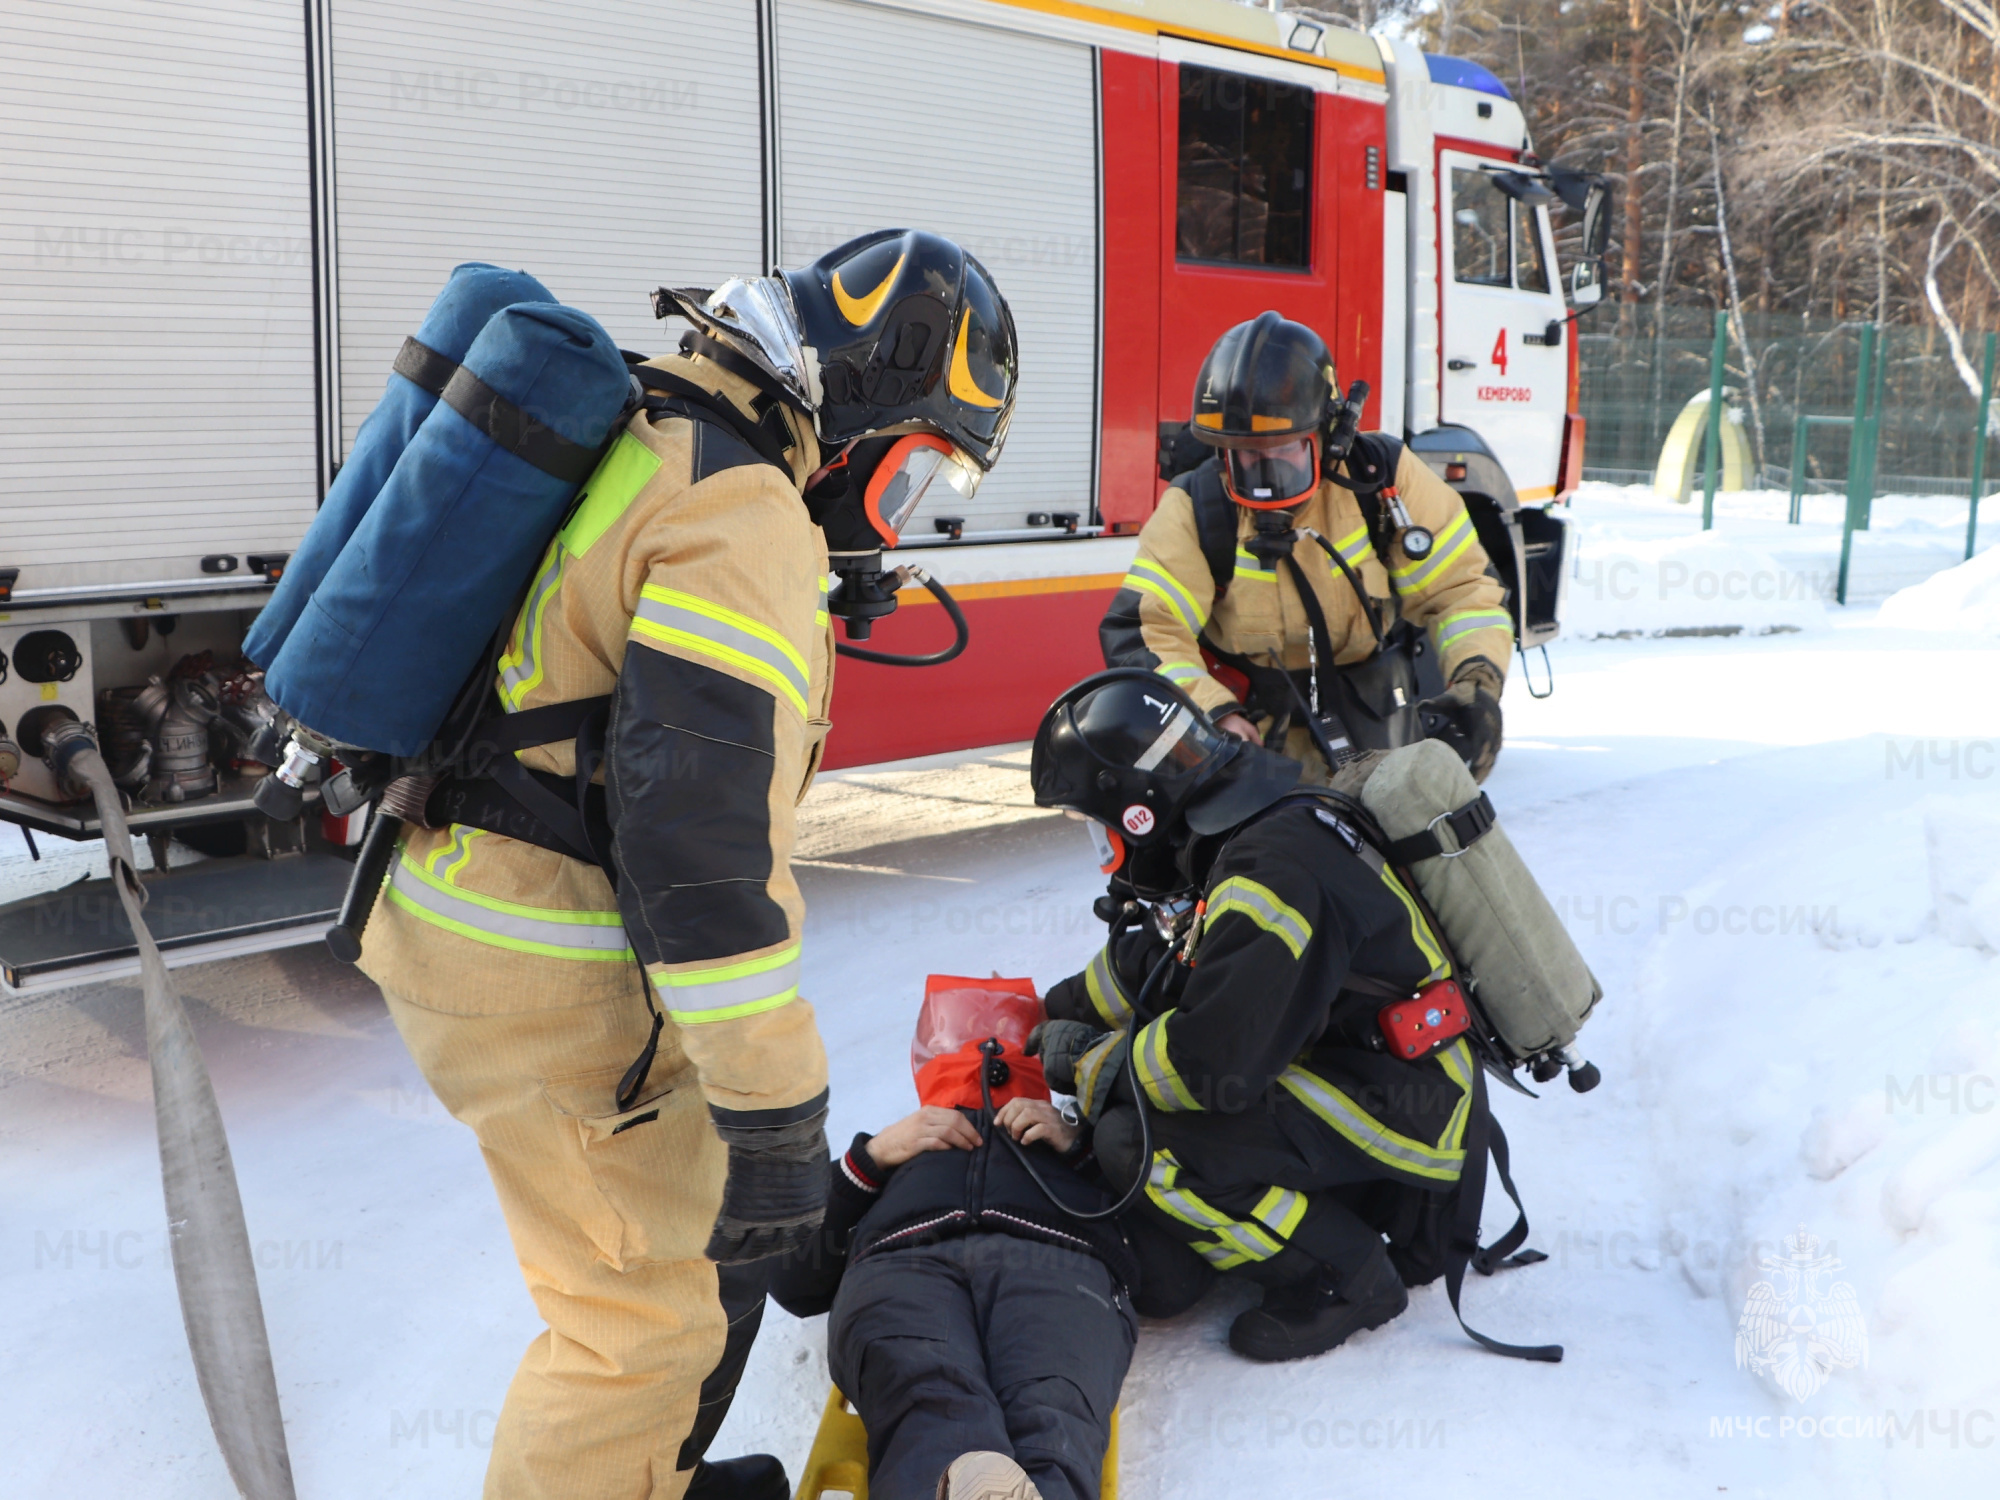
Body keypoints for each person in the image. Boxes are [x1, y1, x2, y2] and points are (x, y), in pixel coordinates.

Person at [355, 230, 1018, 1499]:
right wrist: (780, 1110)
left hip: (459, 905)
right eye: (918, 471)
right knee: (633, 1326)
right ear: (874, 399)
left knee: (657, 1254)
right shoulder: (744, 510)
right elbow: (700, 851)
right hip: (545, 968)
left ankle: (644, 1475)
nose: (892, 514)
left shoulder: (661, 423)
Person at [1025, 669, 1495, 1363]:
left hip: (1406, 1121)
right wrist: (1041, 1011)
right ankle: (1306, 1219)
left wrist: (1087, 1063)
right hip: (1371, 1077)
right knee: (1140, 1134)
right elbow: (1164, 958)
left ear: (1138, 811)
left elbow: (1208, 1069)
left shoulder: (1269, 875)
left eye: (1095, 823)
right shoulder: (1244, 821)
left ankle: (1348, 1275)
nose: (1100, 844)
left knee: (1141, 1145)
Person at [1099, 312, 1513, 783]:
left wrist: (1475, 686)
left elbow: (1462, 592)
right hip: (1250, 746)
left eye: (1284, 451)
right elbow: (1147, 630)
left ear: (1328, 436)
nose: (1264, 477)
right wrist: (1213, 716)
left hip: (1374, 720)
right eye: (1247, 457)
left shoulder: (1380, 481)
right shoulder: (1196, 506)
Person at [772, 1032, 1137, 1500]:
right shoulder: (903, 1147)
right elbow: (793, 1279)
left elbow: (1166, 1262)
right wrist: (870, 1158)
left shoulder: (1073, 1139)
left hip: (1057, 1259)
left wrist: (1086, 1149)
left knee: (1047, 1408)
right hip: (903, 1263)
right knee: (928, 1397)